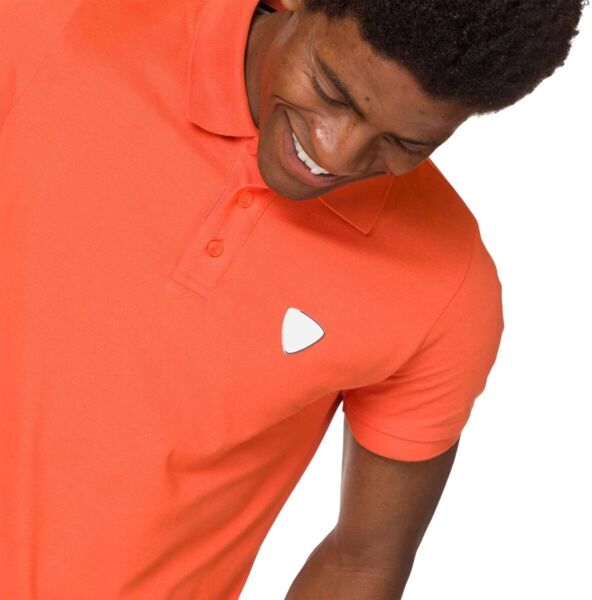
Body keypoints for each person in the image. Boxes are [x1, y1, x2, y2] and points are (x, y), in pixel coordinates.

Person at [0, 0, 584, 598]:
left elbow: (362, 563)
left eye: (403, 143)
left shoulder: (447, 286)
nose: (334, 155)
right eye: (332, 91)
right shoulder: (55, 25)